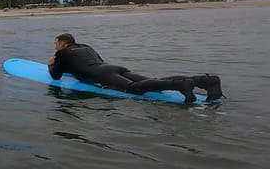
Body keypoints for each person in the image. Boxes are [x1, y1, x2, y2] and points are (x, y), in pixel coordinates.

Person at [47, 33, 223, 103]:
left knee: (134, 89)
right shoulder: (85, 46)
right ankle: (205, 81)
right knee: (151, 81)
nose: (55, 47)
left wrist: (51, 64)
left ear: (63, 43)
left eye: (56, 44)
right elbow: (85, 63)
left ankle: (181, 85)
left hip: (100, 75)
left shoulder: (62, 54)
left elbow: (55, 77)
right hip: (113, 67)